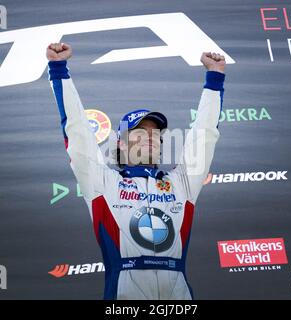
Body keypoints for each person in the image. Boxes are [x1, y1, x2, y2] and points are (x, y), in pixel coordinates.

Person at [46, 42, 226, 300]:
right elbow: (76, 131)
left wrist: (215, 78)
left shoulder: (181, 183)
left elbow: (205, 135)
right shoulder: (103, 183)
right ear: (120, 142)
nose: (150, 137)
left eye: (156, 133)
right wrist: (59, 69)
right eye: (140, 132)